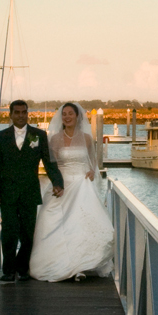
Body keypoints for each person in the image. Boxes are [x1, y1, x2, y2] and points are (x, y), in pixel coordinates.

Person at [29, 102, 115, 282]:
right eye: (64, 114)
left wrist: (92, 171)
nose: (67, 117)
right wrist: (56, 183)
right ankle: (58, 262)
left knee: (80, 224)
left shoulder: (86, 138)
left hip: (82, 184)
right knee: (52, 222)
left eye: (71, 114)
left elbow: (92, 163)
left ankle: (80, 265)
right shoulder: (55, 139)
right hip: (62, 185)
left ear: (78, 117)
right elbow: (51, 165)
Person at [0, 100, 63, 283]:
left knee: (28, 234)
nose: (21, 115)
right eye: (17, 112)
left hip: (29, 192)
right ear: (11, 115)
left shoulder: (38, 135)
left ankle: (22, 269)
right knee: (9, 232)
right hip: (7, 193)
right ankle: (8, 270)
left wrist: (57, 182)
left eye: (24, 112)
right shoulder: (1, 137)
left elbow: (48, 161)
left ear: (27, 113)